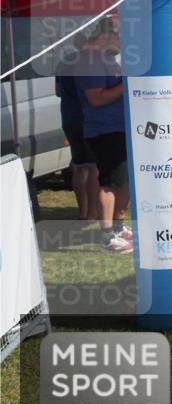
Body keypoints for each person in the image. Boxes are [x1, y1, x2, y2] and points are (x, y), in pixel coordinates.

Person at [76, 21, 131, 253]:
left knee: (123, 181)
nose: (122, 43)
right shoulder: (88, 60)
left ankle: (117, 229)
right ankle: (107, 236)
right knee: (109, 182)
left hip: (117, 128)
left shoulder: (105, 59)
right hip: (104, 130)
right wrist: (127, 84)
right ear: (106, 35)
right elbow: (96, 98)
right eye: (120, 37)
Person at [54, 44, 99, 222]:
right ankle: (92, 214)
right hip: (88, 119)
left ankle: (83, 212)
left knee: (79, 166)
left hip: (69, 118)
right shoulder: (92, 62)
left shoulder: (64, 62)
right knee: (94, 167)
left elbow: (58, 91)